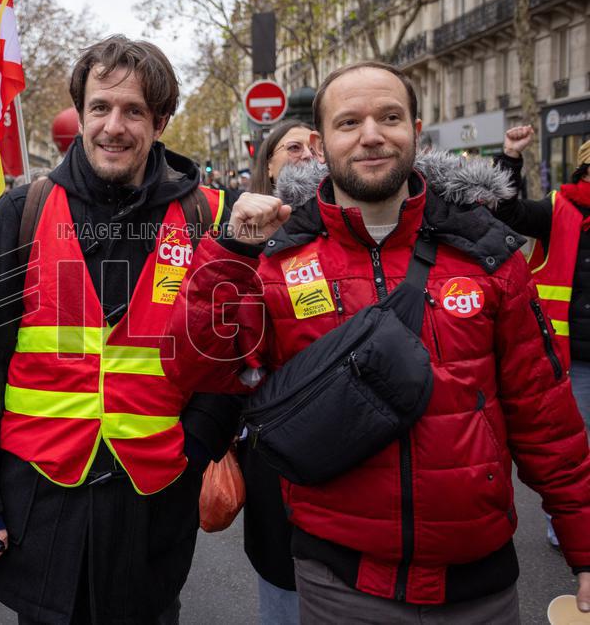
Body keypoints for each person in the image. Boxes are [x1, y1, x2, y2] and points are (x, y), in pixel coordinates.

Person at [163, 61, 590, 621]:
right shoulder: (275, 259)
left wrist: (583, 550)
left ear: (417, 126)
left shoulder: (488, 254)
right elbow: (194, 369)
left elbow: (546, 415)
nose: (371, 134)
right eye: (349, 121)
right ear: (321, 142)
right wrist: (228, 255)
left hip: (480, 582)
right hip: (338, 581)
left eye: (389, 116)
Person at [0, 35, 241, 623]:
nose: (114, 126)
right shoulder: (22, 210)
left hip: (153, 498)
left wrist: (197, 444)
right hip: (38, 494)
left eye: (134, 111)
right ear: (80, 115)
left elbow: (229, 356)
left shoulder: (210, 214)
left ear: (160, 122)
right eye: (101, 108)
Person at [491, 128, 590, 549]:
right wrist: (511, 158)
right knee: (574, 450)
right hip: (571, 357)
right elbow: (505, 211)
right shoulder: (559, 208)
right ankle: (568, 523)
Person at [234, 118, 316, 625]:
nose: (308, 154)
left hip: (354, 446)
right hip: (274, 444)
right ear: (268, 164)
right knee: (284, 588)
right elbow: (215, 338)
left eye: (317, 144)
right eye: (293, 147)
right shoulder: (245, 232)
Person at [250, 119, 314, 195]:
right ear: (268, 166)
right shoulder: (249, 206)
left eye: (314, 149)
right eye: (294, 147)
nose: (309, 154)